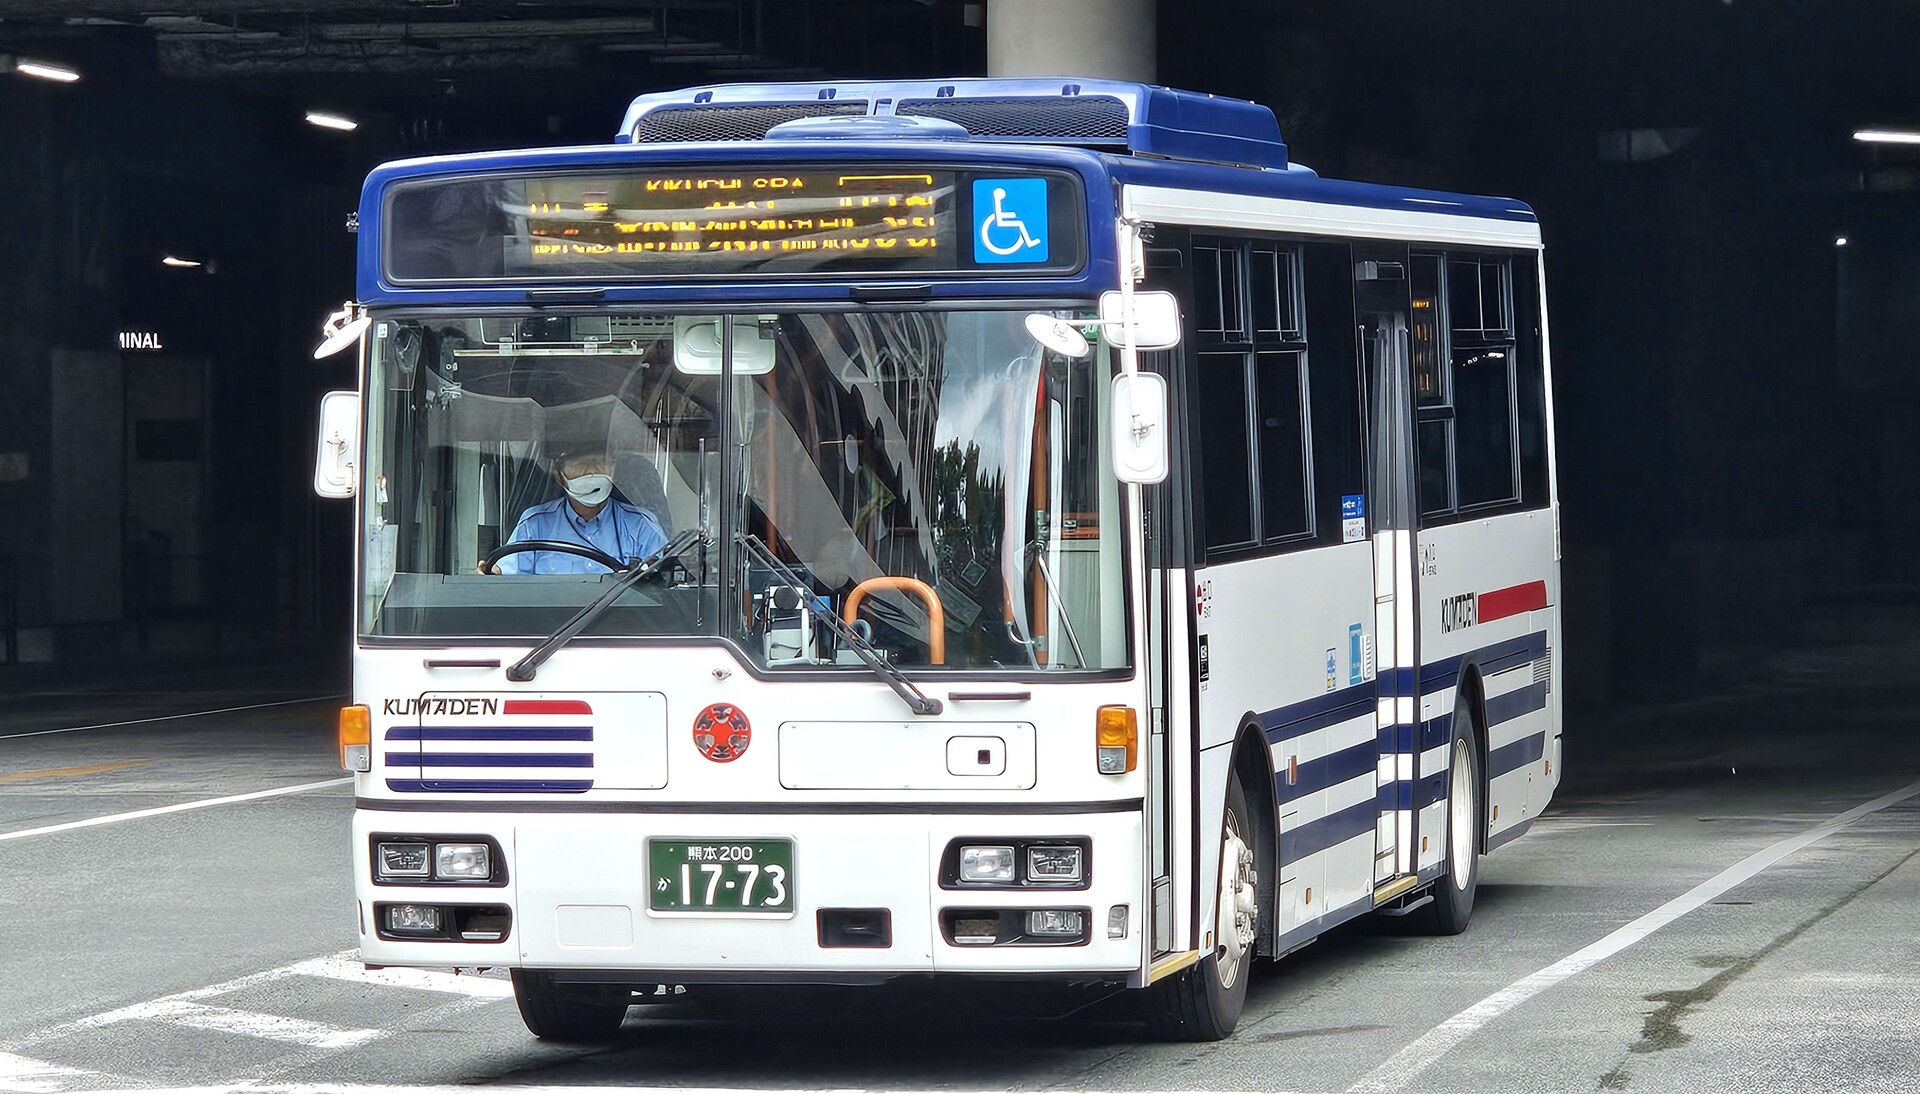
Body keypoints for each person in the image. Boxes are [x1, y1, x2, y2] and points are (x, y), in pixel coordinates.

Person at [491, 449, 667, 574]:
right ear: (559, 477)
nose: (591, 471)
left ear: (614, 472)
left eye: (601, 462)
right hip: (552, 625)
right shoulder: (534, 525)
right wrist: (491, 576)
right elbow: (507, 583)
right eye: (579, 464)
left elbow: (661, 588)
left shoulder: (641, 524)